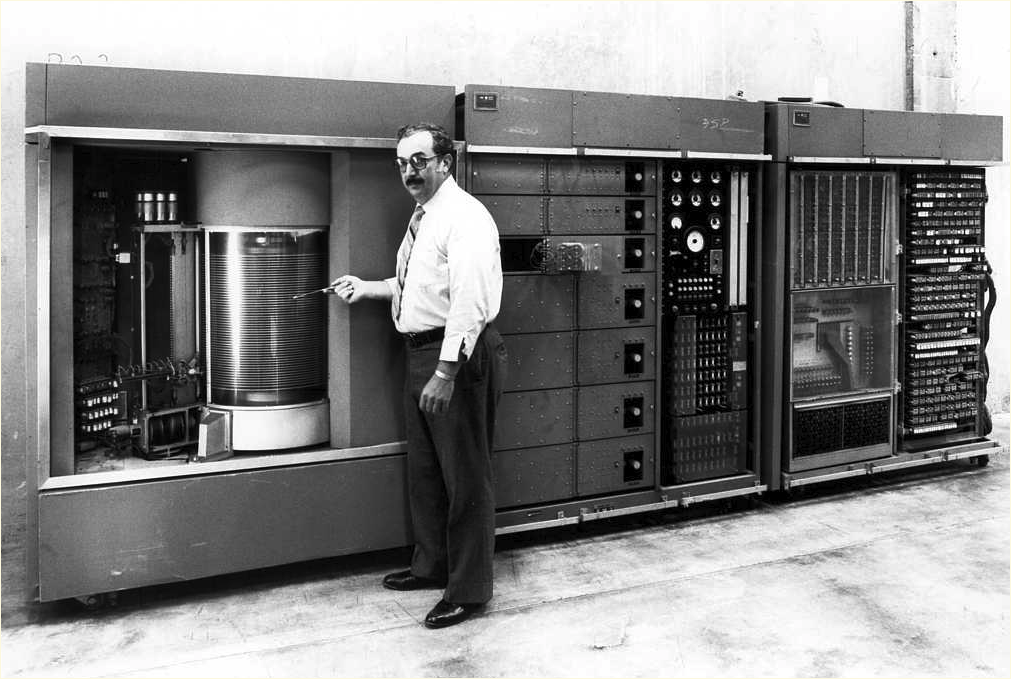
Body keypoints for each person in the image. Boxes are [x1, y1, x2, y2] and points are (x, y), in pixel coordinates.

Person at [330, 122, 506, 629]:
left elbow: (469, 302)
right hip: (421, 354)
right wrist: (369, 288)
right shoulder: (424, 217)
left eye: (420, 161)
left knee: (466, 476)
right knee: (427, 472)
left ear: (445, 163)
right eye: (403, 162)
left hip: (457, 358)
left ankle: (469, 590)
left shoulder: (464, 217)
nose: (409, 171)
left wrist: (447, 371)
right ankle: (432, 566)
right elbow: (422, 286)